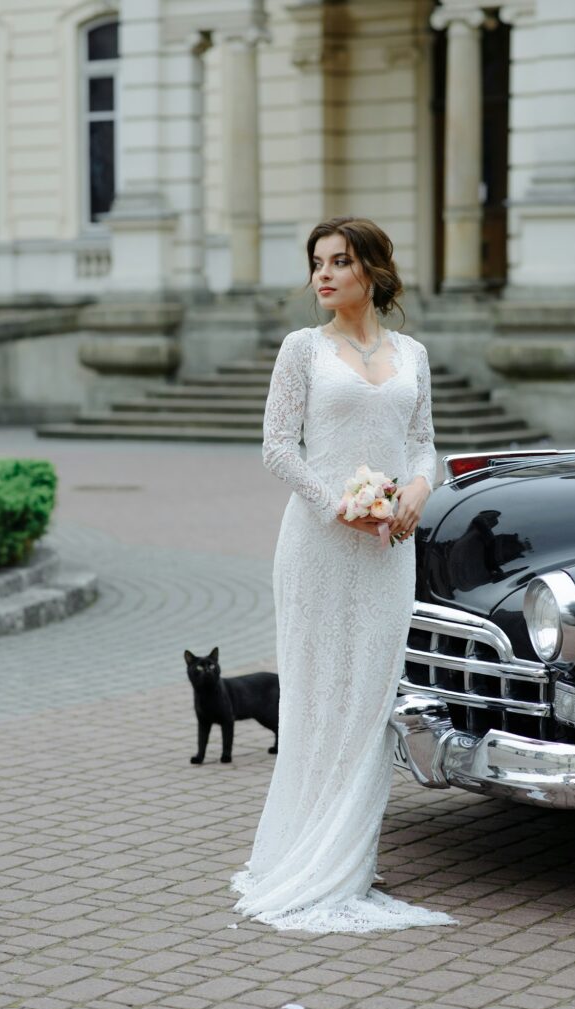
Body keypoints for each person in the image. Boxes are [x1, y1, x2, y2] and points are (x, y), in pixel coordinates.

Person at [231, 216, 455, 933]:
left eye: (340, 262)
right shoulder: (302, 349)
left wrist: (417, 494)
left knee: (366, 700)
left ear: (372, 272)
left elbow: (424, 446)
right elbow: (276, 447)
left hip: (390, 549)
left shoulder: (413, 354)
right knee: (315, 696)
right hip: (320, 544)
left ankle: (348, 855)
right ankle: (305, 850)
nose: (323, 275)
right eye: (318, 263)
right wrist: (339, 507)